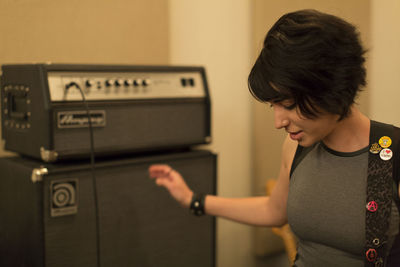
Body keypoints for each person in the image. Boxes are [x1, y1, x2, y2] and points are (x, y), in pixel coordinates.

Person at [148, 9, 400, 266]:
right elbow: (274, 211)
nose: (278, 122)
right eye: (273, 106)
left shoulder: (391, 155)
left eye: (288, 105)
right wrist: (193, 199)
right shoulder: (295, 146)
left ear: (331, 89)